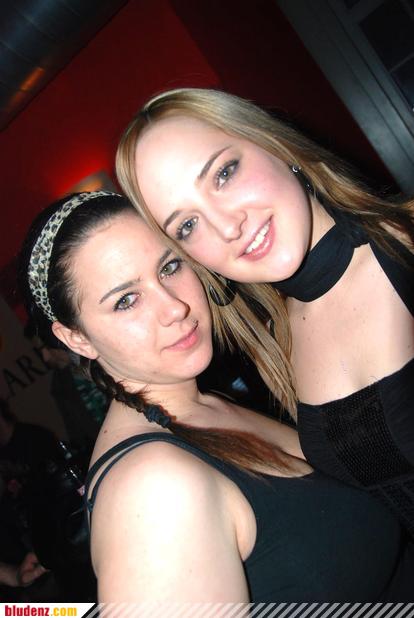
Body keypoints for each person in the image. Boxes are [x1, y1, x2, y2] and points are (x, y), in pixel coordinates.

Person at [19, 190, 414, 603]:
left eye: (170, 266)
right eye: (126, 300)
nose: (174, 307)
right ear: (76, 338)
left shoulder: (207, 405)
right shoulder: (152, 490)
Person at [116, 87, 414, 538]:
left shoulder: (405, 246)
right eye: (188, 225)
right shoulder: (277, 340)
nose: (227, 226)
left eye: (224, 173)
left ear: (274, 144)